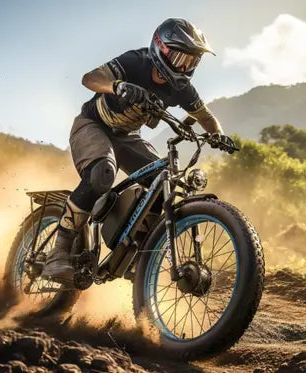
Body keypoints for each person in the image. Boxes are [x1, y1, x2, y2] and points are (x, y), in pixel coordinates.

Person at [42, 18, 235, 281]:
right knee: (102, 174)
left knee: (162, 181)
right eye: (180, 58)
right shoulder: (136, 61)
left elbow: (206, 117)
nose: (185, 67)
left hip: (127, 137)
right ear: (160, 49)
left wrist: (219, 135)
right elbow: (90, 78)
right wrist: (117, 85)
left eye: (192, 62)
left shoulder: (183, 89)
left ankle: (139, 257)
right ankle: (58, 253)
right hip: (92, 125)